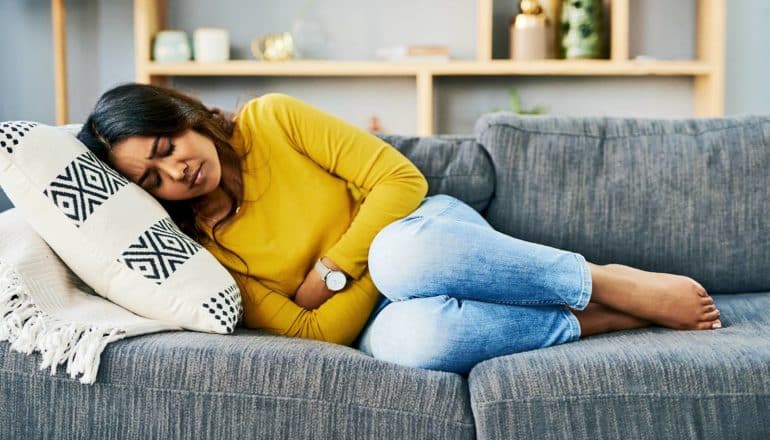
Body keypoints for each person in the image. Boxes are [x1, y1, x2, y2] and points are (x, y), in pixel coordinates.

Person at [77, 83, 722, 375]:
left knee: (400, 257)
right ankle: (596, 319)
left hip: (430, 240)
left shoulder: (271, 121)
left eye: (166, 144)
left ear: (182, 114)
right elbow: (315, 333)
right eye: (152, 180)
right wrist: (356, 278)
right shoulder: (203, 251)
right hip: (379, 317)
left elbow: (402, 184)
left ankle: (598, 279)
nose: (177, 170)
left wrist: (331, 271)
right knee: (418, 345)